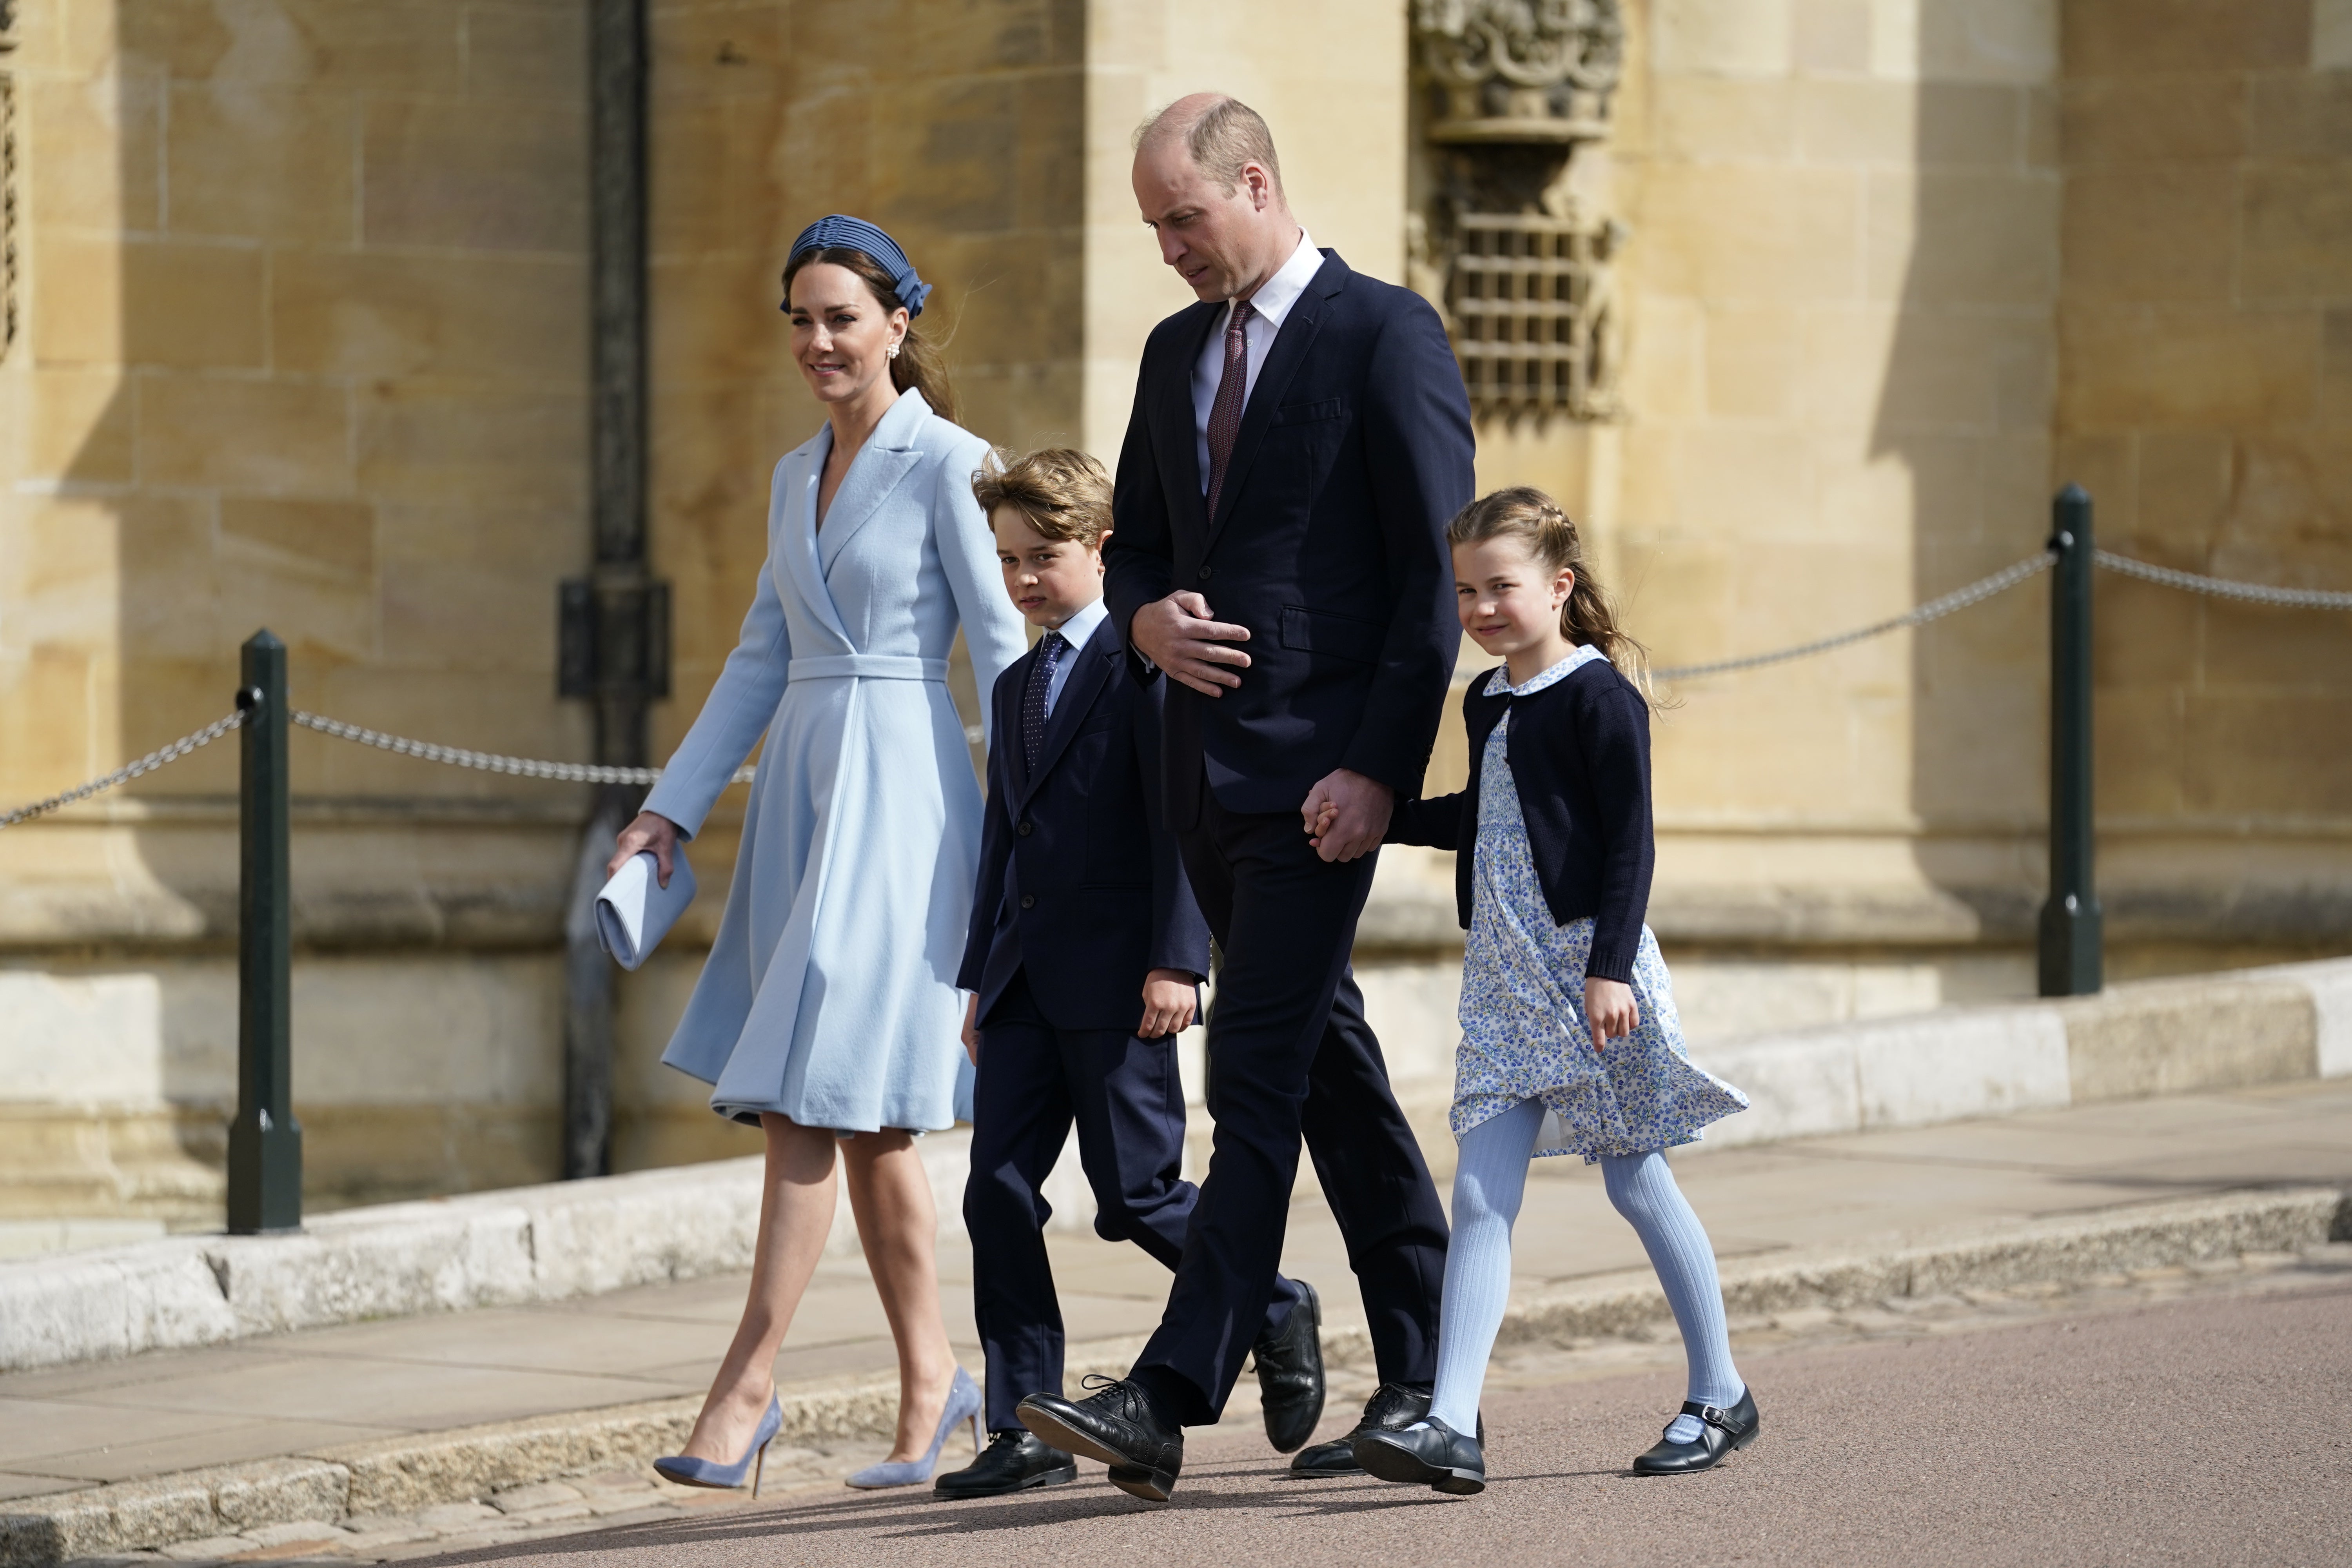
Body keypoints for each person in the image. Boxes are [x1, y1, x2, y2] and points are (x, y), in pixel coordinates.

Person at [1014, 95, 1469, 1501]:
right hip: (1198, 786)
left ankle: (1168, 1390)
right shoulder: (1169, 354)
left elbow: (1430, 578)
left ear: (1254, 184)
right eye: (1152, 224)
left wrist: (1379, 771)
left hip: (1323, 788)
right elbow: (1137, 549)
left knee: (1254, 1076)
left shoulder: (1385, 335)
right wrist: (1140, 624)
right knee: (1327, 1066)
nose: (1165, 249)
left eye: (1182, 220)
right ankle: (1428, 1375)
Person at [611, 216, 1028, 1495]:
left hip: (905, 802)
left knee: (807, 1095)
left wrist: (1037, 838)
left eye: (840, 316)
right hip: (802, 792)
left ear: (900, 321)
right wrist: (667, 812)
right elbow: (757, 657)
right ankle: (933, 1383)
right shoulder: (795, 476)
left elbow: (1010, 657)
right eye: (799, 318)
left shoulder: (959, 466)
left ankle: (745, 1390)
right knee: (870, 1122)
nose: (817, 341)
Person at [1348, 487, 1756, 1495]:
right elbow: (1490, 817)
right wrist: (1382, 814)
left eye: (1502, 587)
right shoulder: (1487, 697)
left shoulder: (1598, 695)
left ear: (1559, 586)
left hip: (1585, 972)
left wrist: (1609, 967)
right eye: (1466, 592)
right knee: (1482, 1192)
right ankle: (1450, 1423)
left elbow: (1629, 843)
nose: (1482, 608)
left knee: (1635, 1181)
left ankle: (1721, 1392)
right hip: (1502, 975)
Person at [938, 447, 1316, 1499]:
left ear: (1104, 551)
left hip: (1123, 982)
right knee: (997, 1196)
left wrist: (1177, 960)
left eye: (1043, 557)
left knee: (1138, 1196)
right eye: (1007, 559)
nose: (1021, 580)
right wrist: (978, 980)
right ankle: (1028, 1429)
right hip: (1020, 985)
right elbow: (999, 845)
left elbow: (1178, 826)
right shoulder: (1016, 687)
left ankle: (1274, 1304)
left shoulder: (1149, 672)